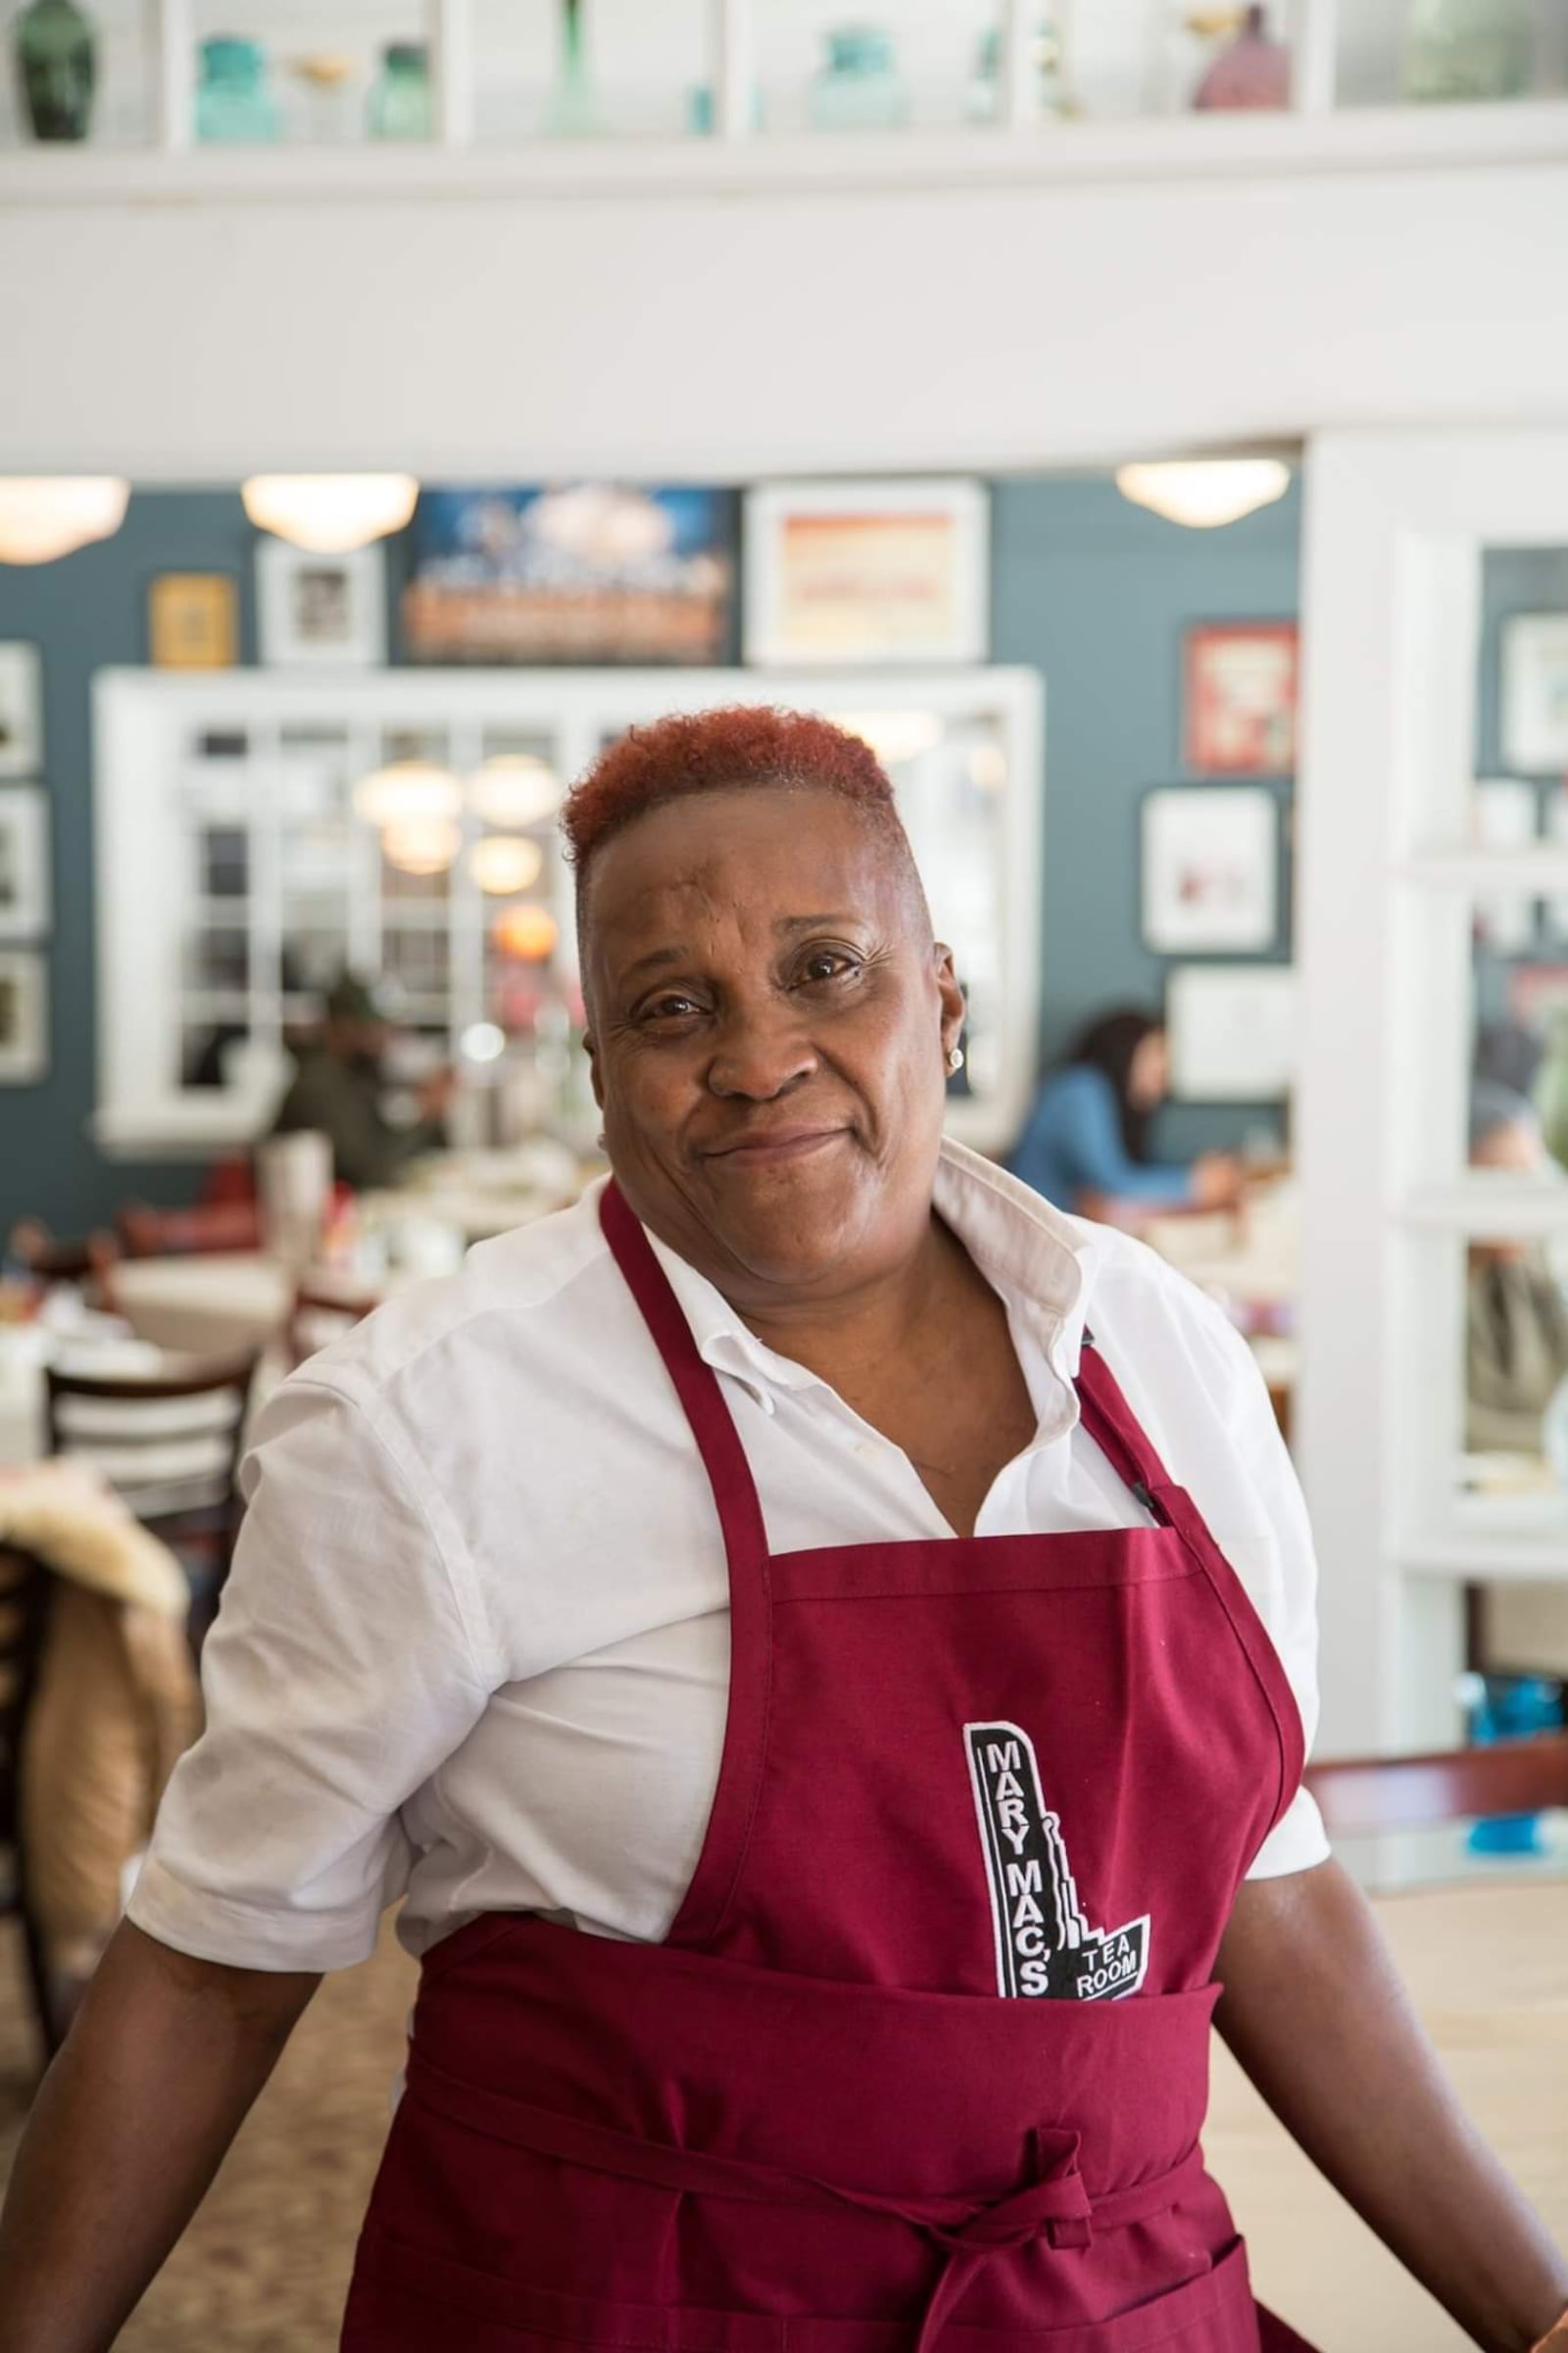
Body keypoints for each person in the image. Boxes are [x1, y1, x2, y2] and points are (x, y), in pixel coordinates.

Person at [1, 707, 1565, 2353]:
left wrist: (1533, 2314)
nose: (758, 1056)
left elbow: (1267, 1879)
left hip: (1109, 2305)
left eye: (828, 971)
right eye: (675, 1008)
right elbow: (210, 1966)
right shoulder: (427, 1427)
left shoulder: (1162, 1354)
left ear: (944, 1002)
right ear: (600, 1072)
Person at [1009, 1007, 1244, 1223]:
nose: (1164, 1068)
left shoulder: (1103, 1100)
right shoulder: (1079, 1091)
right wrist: (1194, 1183)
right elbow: (1114, 1184)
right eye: (1157, 1051)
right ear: (1127, 1048)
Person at [270, 971, 455, 1192]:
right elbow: (371, 1174)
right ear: (340, 1027)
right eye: (372, 1027)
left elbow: (426, 1153)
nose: (385, 1037)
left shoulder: (363, 1074)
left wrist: (433, 1112)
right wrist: (424, 1112)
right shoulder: (317, 1086)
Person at [1466, 1081, 1568, 1456]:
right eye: (1502, 1175)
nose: (1523, 1195)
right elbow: (1458, 1428)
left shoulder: (1531, 1267)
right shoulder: (1430, 1287)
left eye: (1531, 1174)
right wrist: (1554, 1443)